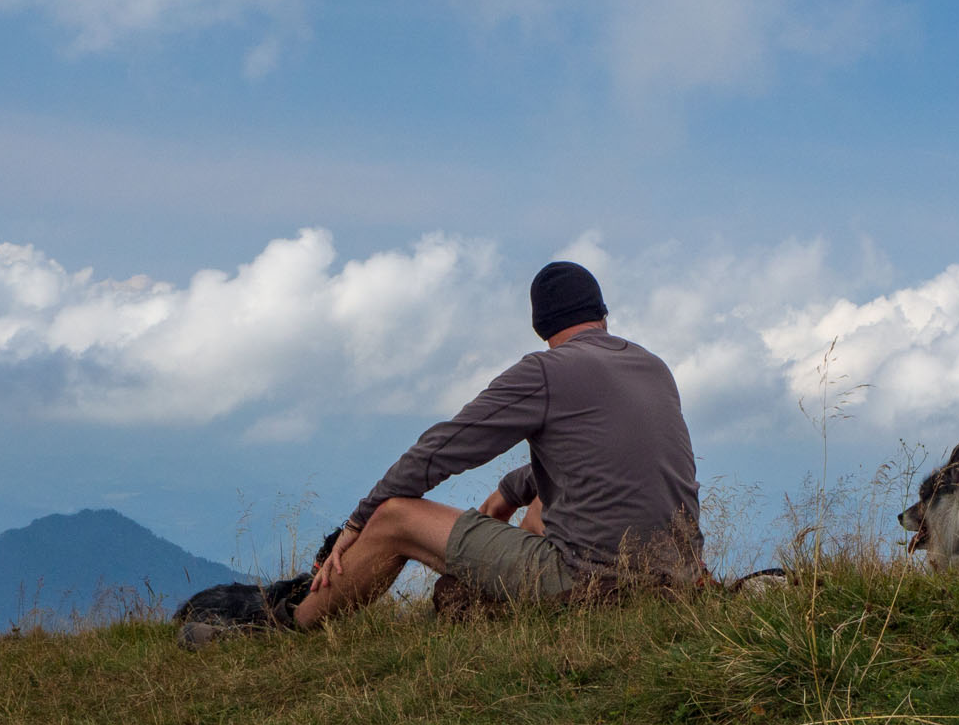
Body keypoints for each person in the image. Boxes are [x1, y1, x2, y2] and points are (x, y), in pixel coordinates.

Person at [182, 260, 701, 644]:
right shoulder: (653, 367)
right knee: (543, 512)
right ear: (603, 313)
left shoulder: (547, 371)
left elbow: (443, 449)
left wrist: (359, 522)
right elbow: (599, 462)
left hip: (589, 581)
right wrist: (506, 495)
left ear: (541, 326)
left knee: (396, 517)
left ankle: (285, 632)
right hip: (671, 578)